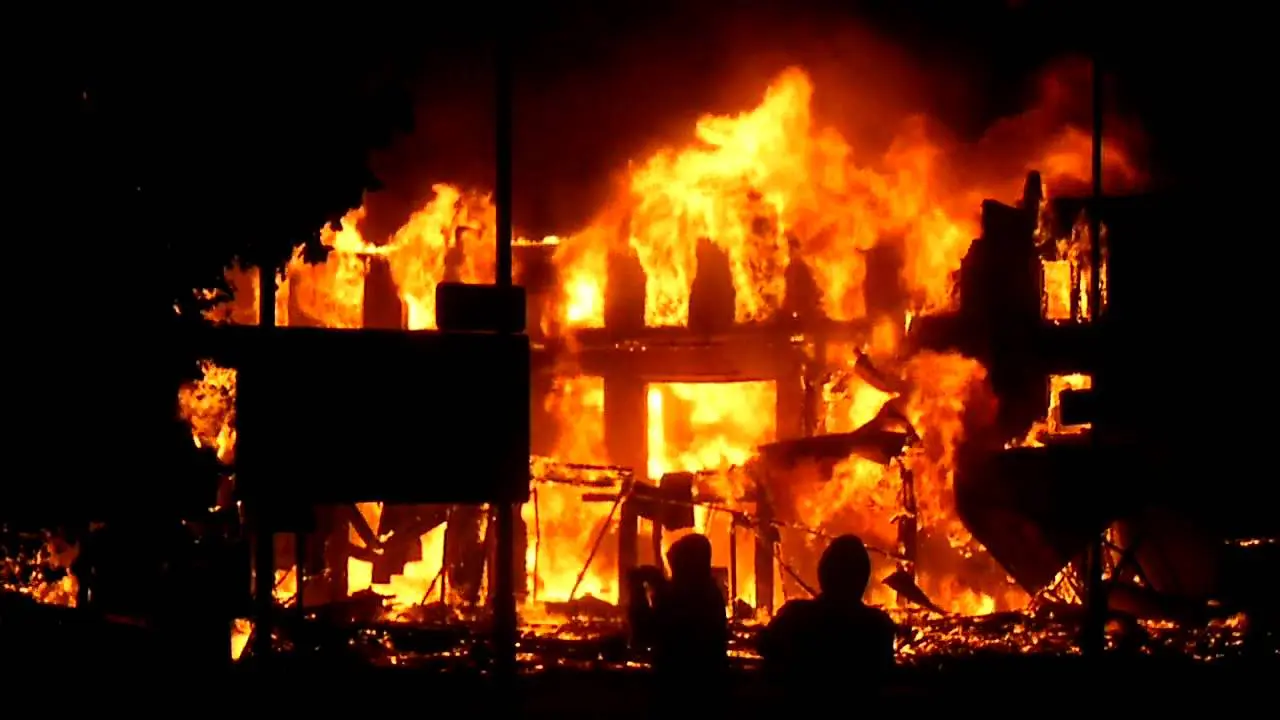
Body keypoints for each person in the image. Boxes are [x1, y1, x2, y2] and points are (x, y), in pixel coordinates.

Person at [760, 534, 896, 690]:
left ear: (823, 572)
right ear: (863, 578)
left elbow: (764, 645)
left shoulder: (795, 616)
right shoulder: (878, 626)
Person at [628, 533, 729, 684]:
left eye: (675, 567)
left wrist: (638, 591)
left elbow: (644, 635)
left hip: (679, 682)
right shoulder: (709, 593)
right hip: (707, 682)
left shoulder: (693, 598)